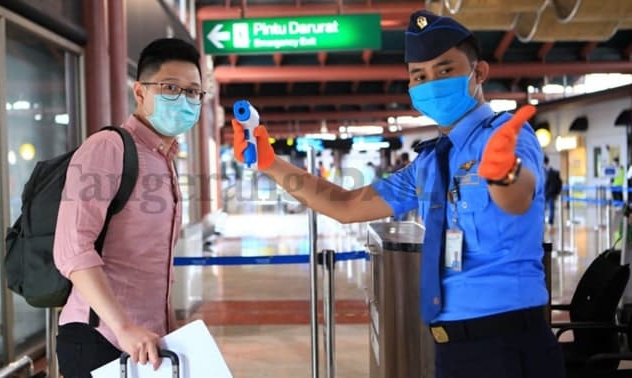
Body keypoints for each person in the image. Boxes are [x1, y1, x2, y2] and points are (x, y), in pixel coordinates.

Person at [231, 9, 564, 378]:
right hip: (453, 346)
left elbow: (518, 198)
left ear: (479, 73)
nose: (431, 82)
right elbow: (344, 205)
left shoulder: (505, 137)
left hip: (509, 341)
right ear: (411, 89)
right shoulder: (429, 164)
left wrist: (505, 175)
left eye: (445, 70)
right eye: (419, 76)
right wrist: (270, 162)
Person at [53, 38, 203, 376]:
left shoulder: (164, 160)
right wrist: (123, 326)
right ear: (140, 92)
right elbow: (72, 249)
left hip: (145, 342)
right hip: (100, 338)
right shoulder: (108, 147)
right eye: (170, 87)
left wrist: (169, 325)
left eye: (193, 92)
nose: (184, 99)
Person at [544, 156, 562, 226]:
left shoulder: (554, 172)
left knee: (551, 208)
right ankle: (544, 221)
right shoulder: (542, 171)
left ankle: (550, 221)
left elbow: (558, 183)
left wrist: (556, 192)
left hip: (550, 194)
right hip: (544, 194)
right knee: (544, 208)